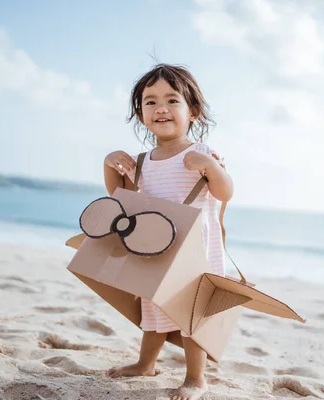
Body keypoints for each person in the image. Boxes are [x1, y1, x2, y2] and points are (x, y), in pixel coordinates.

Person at [102, 63, 233, 400]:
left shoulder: (201, 153)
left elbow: (225, 194)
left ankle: (195, 378)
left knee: (191, 314)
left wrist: (212, 168)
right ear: (140, 113)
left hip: (195, 252)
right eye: (150, 102)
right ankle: (146, 363)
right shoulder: (143, 161)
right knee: (154, 308)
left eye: (172, 100)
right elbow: (121, 197)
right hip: (156, 249)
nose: (160, 108)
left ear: (193, 112)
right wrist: (109, 163)